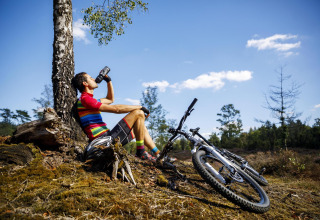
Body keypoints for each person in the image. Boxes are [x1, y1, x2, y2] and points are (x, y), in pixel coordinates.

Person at [72, 71, 161, 163]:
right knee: (138, 113)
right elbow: (116, 109)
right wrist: (139, 107)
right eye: (91, 78)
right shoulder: (85, 100)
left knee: (141, 127)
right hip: (103, 141)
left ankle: (159, 155)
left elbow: (110, 99)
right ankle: (141, 152)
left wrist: (108, 81)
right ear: (85, 83)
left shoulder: (90, 100)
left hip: (108, 137)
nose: (94, 79)